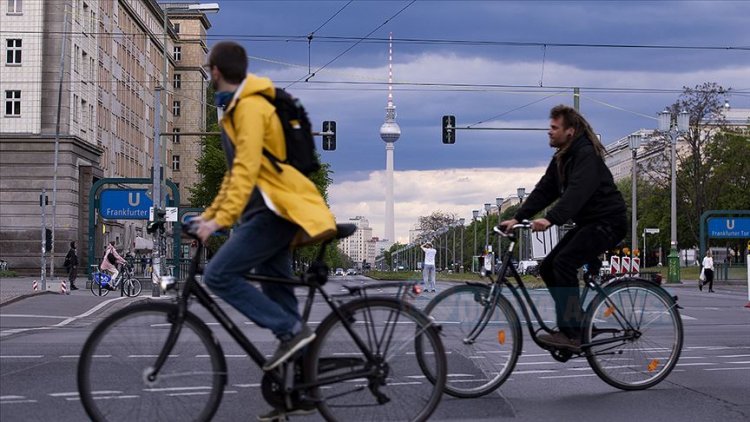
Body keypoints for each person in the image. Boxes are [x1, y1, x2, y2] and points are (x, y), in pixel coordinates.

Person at [195, 41, 336, 419]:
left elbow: (246, 170)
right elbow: (234, 176)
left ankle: (292, 331)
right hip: (262, 211)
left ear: (216, 71)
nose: (209, 75)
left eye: (209, 70)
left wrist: (218, 221)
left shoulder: (252, 106)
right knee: (277, 291)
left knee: (219, 275)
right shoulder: (238, 107)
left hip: (275, 212)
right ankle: (297, 390)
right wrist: (210, 215)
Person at [499, 105, 627, 351]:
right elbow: (545, 189)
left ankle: (573, 334)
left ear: (570, 131)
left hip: (608, 223)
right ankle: (574, 326)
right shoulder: (562, 157)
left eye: (554, 127)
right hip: (590, 223)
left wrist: (551, 219)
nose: (549, 131)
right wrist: (518, 217)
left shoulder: (585, 155)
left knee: (564, 263)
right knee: (547, 267)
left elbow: (577, 192)